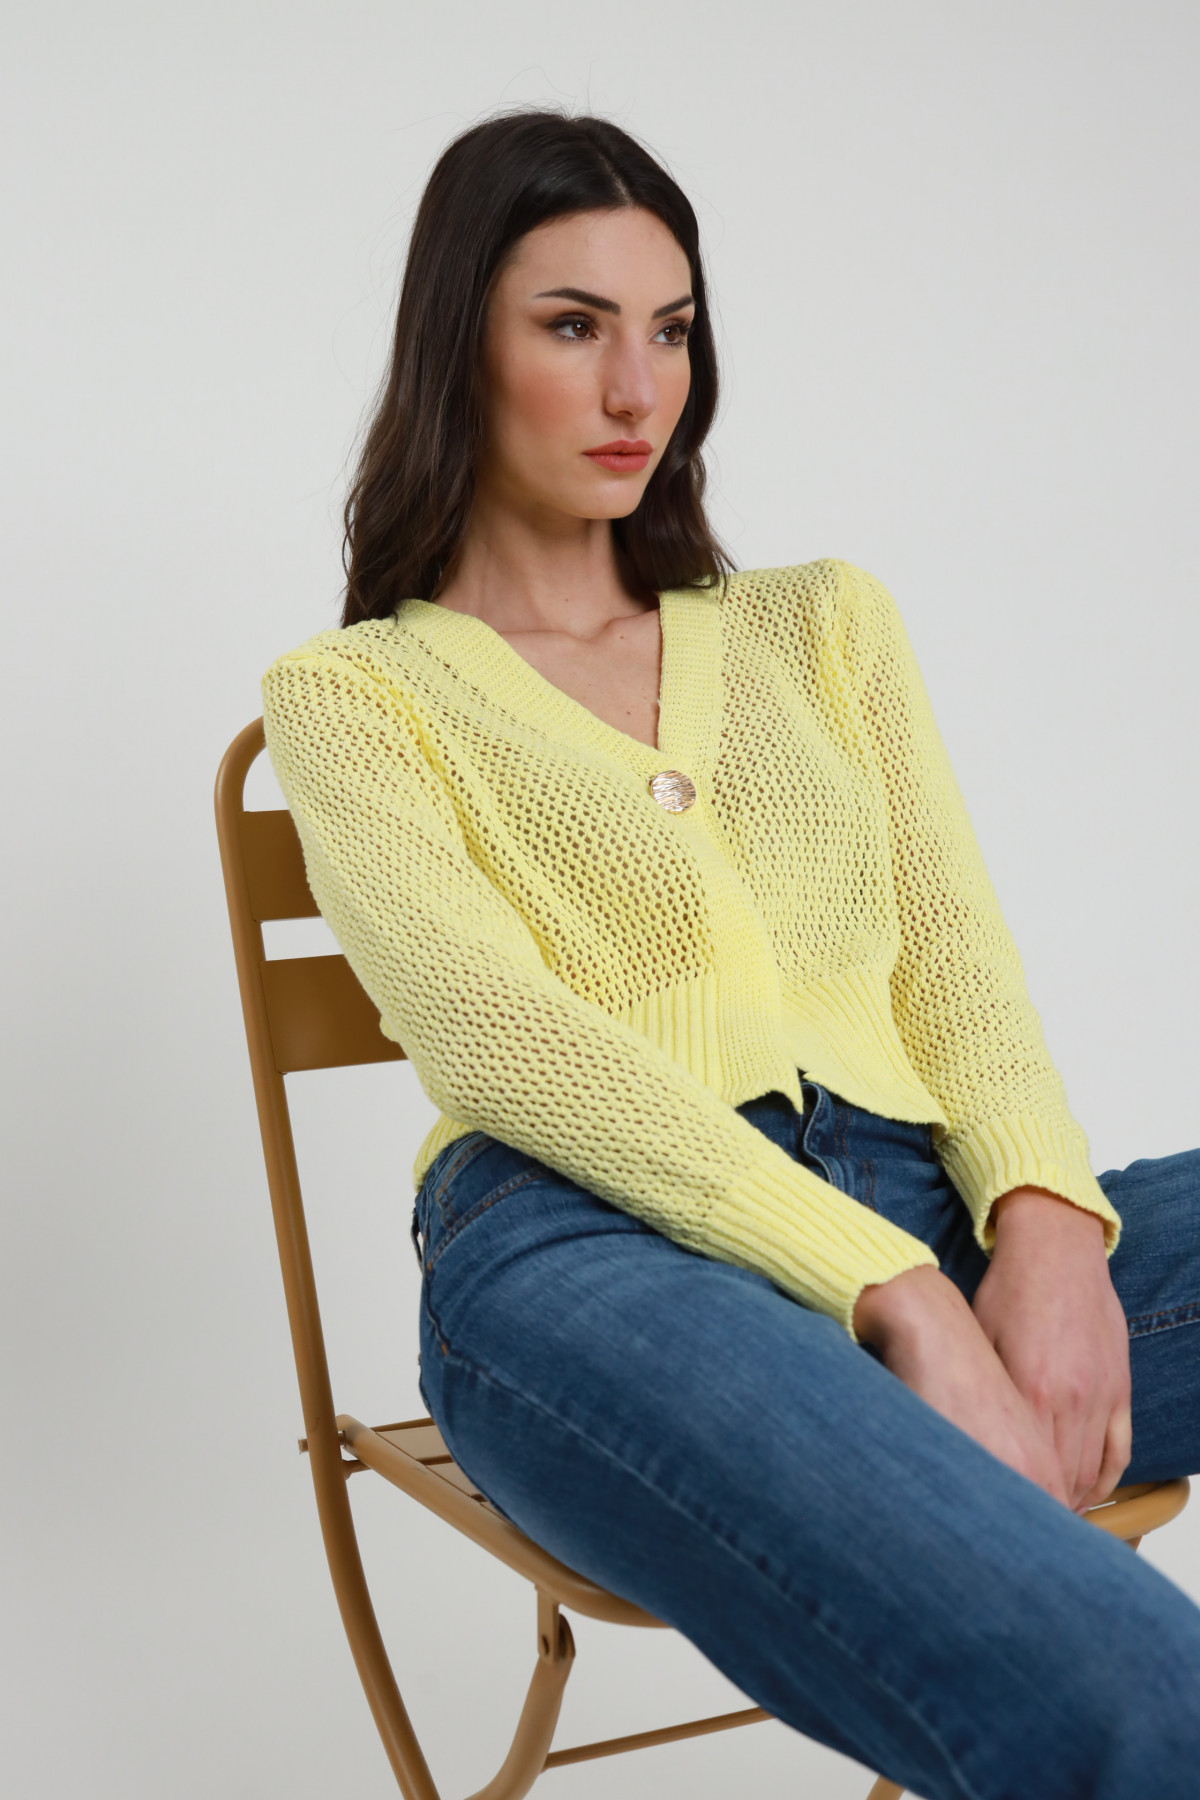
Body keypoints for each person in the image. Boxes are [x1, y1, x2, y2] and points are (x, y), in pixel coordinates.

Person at [261, 110, 1200, 1799]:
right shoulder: (358, 698)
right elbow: (501, 1041)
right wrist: (895, 1294)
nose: (640, 389)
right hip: (583, 1255)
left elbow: (957, 968)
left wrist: (1046, 1226)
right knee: (1129, 1687)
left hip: (923, 1205)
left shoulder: (820, 624)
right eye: (574, 326)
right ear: (457, 343)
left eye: (673, 330)